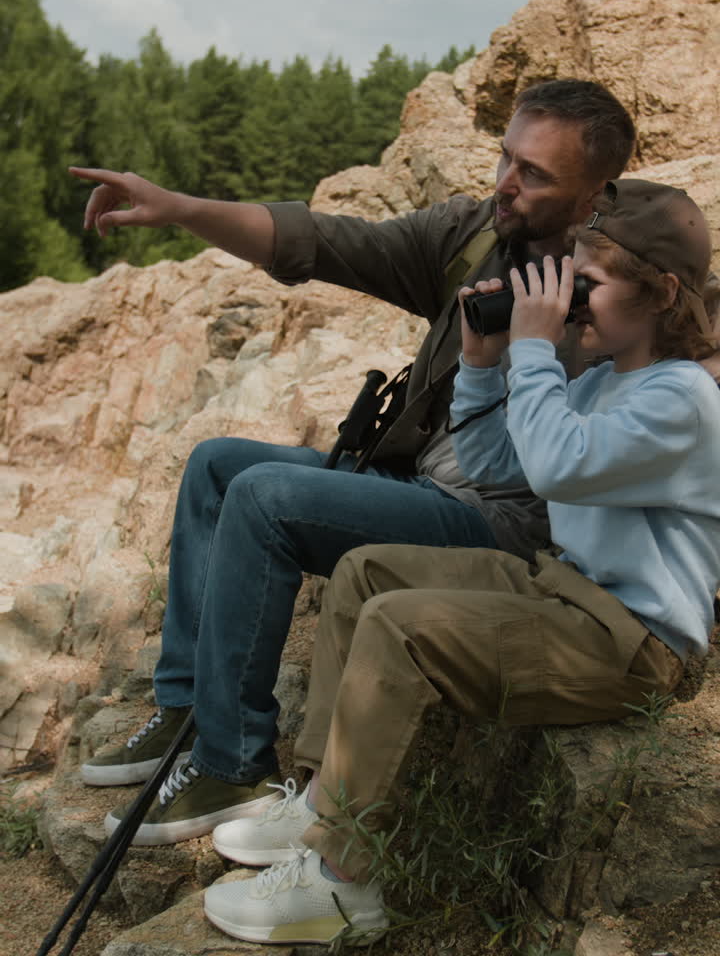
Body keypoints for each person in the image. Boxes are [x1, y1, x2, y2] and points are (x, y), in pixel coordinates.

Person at [70, 80, 640, 842]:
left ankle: (232, 767)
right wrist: (179, 207)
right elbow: (323, 242)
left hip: (502, 528)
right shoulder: (475, 237)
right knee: (217, 466)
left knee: (266, 499)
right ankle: (184, 708)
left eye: (534, 174)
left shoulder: (624, 286)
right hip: (415, 478)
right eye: (507, 157)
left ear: (597, 191)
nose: (506, 182)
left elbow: (693, 335)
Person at [201, 178, 720, 946]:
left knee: (402, 628)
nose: (568, 297)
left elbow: (557, 467)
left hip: (630, 641)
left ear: (664, 292)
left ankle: (343, 883)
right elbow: (499, 465)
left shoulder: (683, 399)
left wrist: (538, 350)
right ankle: (320, 801)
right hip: (563, 589)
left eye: (590, 283)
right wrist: (484, 366)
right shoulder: (609, 376)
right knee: (366, 574)